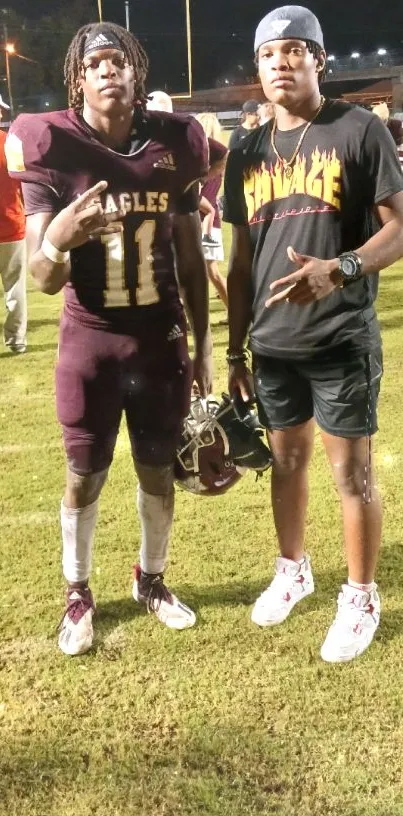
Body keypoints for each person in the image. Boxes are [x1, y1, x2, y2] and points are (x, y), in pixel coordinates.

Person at [6, 21, 213, 655]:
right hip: (89, 342)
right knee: (83, 475)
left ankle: (151, 581)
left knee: (157, 472)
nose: (106, 69)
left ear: (136, 72)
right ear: (78, 77)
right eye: (93, 62)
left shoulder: (177, 142)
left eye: (117, 59)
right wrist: (62, 238)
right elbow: (41, 276)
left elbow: (188, 259)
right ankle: (79, 591)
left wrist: (205, 347)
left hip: (159, 342)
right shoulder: (50, 143)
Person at [223, 4, 403, 662]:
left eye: (295, 50)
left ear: (318, 60)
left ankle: (359, 593)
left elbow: (398, 225)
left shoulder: (357, 129)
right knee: (285, 463)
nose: (281, 61)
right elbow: (238, 261)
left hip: (338, 336)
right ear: (258, 67)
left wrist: (342, 268)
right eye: (270, 53)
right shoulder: (244, 148)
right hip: (272, 343)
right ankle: (292, 568)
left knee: (349, 474)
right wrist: (232, 348)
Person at [0, 97, 27, 354]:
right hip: (11, 225)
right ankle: (16, 340)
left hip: (12, 225)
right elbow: (23, 183)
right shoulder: (11, 143)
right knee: (15, 286)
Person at [196, 113, 228, 308]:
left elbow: (201, 196)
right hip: (210, 222)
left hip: (204, 220)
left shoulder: (203, 160)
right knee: (212, 274)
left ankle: (235, 312)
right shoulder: (218, 161)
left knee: (212, 273)